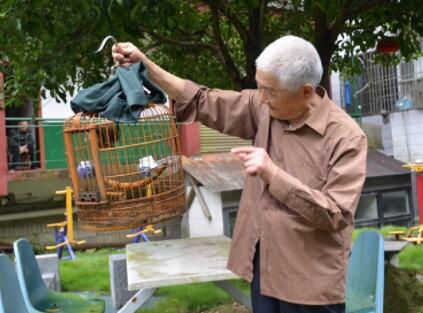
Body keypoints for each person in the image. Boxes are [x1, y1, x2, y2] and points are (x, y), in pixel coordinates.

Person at [112, 35, 367, 313]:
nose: (261, 98)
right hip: (265, 269)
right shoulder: (264, 107)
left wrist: (273, 174)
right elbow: (201, 100)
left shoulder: (346, 138)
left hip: (309, 283)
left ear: (306, 92)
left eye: (270, 91)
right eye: (259, 87)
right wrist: (145, 65)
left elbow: (337, 214)